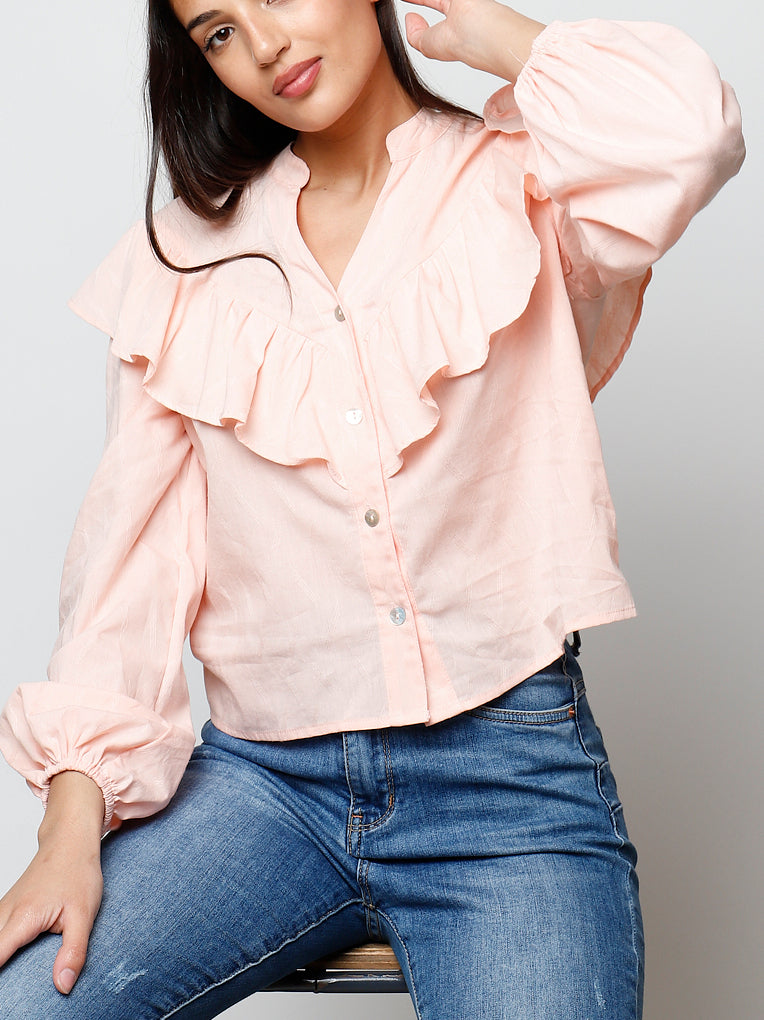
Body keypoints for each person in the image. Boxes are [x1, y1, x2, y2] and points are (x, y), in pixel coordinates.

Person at [0, 0, 744, 1017]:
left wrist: (482, 31)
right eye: (218, 31)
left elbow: (689, 134)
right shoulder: (179, 263)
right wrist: (67, 833)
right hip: (264, 788)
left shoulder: (525, 181)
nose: (263, 45)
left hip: (508, 783)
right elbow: (126, 577)